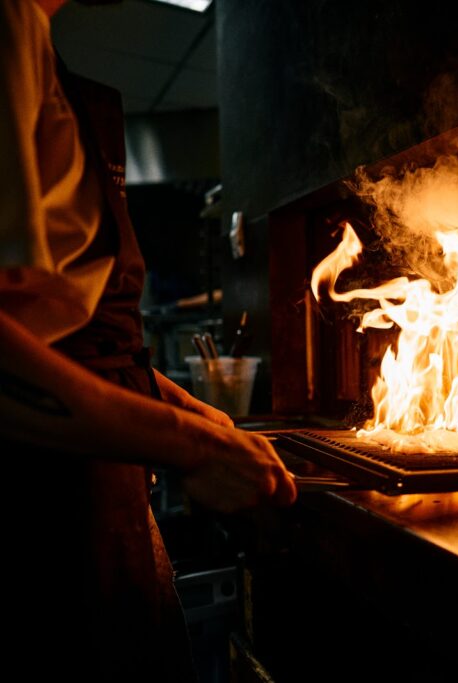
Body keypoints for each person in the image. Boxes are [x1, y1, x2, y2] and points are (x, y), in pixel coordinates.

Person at [0, 0, 297, 679]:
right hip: (40, 522)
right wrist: (190, 443)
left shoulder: (39, 46)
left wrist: (193, 415)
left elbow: (60, 336)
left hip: (96, 499)